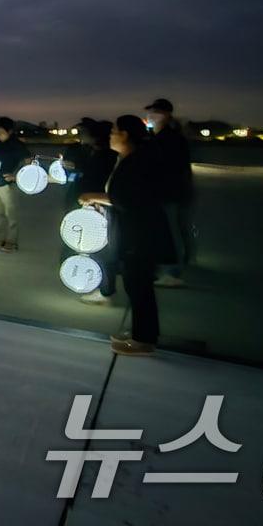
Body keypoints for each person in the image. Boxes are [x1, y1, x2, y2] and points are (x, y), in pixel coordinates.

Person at [79, 115, 175, 356]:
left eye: (114, 131)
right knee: (135, 284)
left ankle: (144, 340)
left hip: (140, 234)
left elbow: (129, 199)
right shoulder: (130, 159)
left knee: (139, 284)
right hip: (133, 231)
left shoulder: (137, 162)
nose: (110, 136)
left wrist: (95, 196)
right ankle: (139, 333)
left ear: (125, 135)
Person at [62, 120, 119, 304]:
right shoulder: (88, 152)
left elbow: (101, 181)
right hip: (87, 202)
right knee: (92, 248)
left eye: (83, 132)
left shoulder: (107, 156)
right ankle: (101, 287)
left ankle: (105, 291)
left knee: (99, 248)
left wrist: (96, 199)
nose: (80, 136)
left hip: (97, 206)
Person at [145, 98, 194, 287]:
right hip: (163, 192)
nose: (151, 115)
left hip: (170, 192)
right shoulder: (158, 136)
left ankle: (173, 272)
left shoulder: (171, 138)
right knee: (167, 230)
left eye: (155, 112)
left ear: (166, 114)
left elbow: (172, 167)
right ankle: (168, 266)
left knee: (172, 231)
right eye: (150, 112)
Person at [0, 117, 31, 253]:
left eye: (1, 131)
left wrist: (17, 176)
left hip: (9, 185)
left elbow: (28, 162)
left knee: (11, 214)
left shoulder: (17, 145)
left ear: (9, 131)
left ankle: (11, 242)